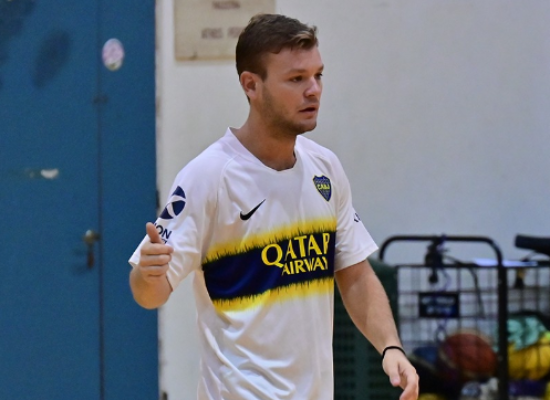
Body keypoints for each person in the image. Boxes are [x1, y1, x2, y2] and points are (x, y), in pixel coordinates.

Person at [129, 13, 419, 400]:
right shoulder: (208, 177)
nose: (313, 90)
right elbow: (149, 294)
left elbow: (355, 273)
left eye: (318, 75)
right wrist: (147, 273)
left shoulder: (325, 168)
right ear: (251, 85)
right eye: (296, 79)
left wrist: (390, 347)